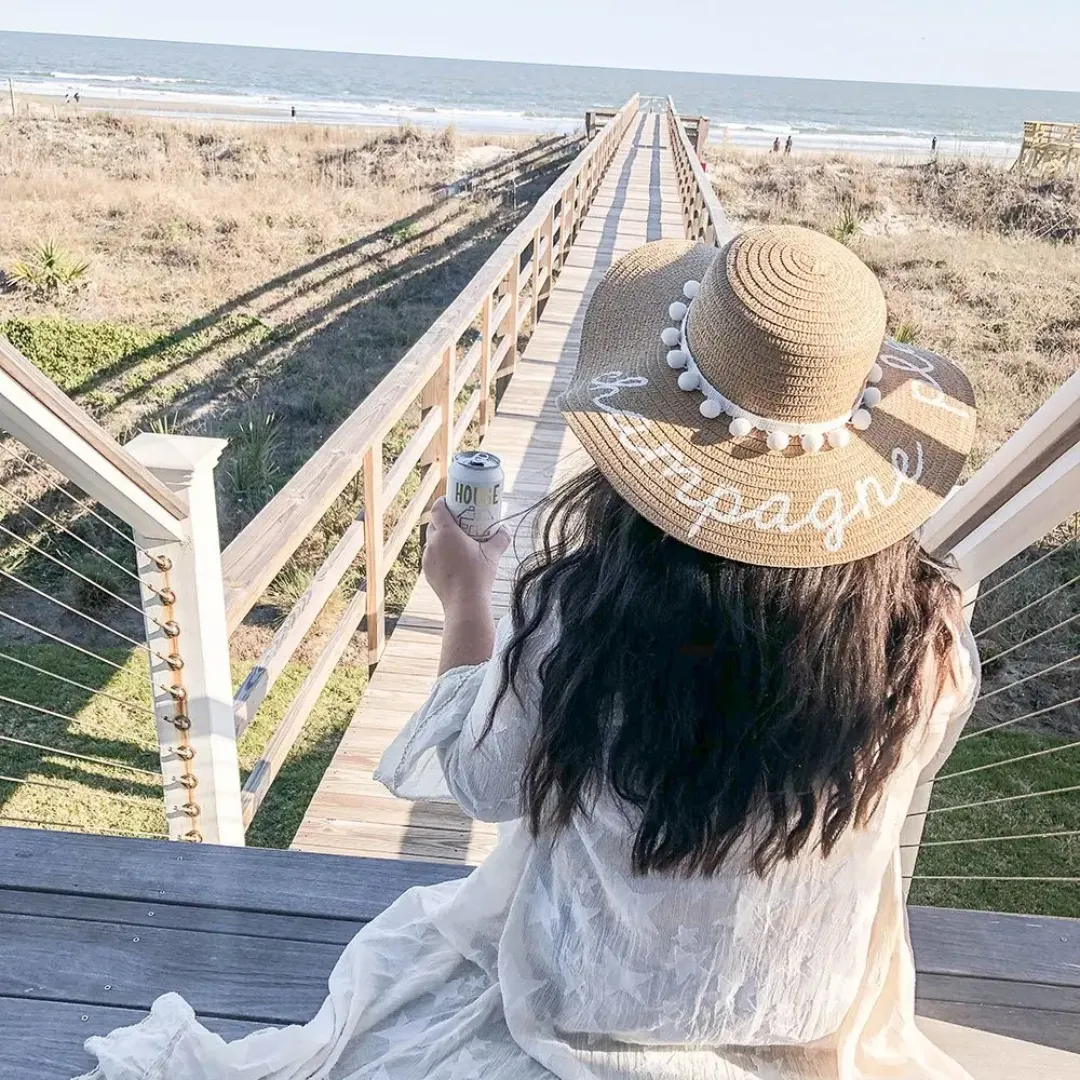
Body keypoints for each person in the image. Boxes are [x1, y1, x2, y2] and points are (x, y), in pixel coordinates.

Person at [80, 227, 980, 1080]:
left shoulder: (586, 623)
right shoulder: (928, 641)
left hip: (589, 997)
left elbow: (482, 784)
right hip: (793, 1005)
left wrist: (467, 597)